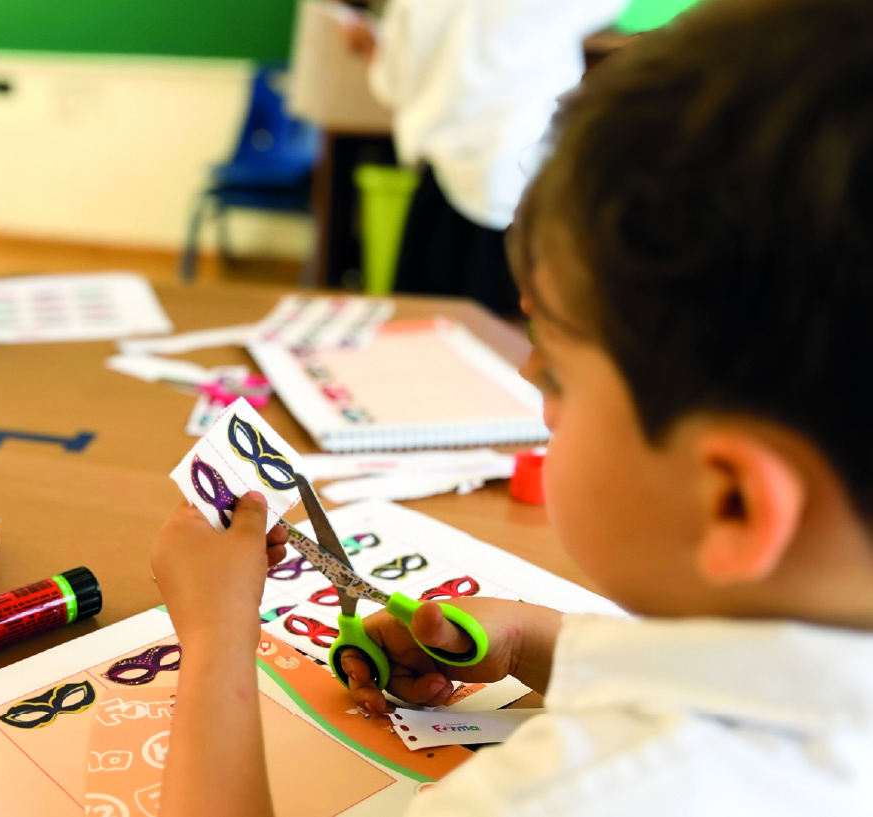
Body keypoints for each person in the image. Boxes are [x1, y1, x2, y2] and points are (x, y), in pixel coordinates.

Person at [151, 0, 873, 813]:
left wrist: (215, 643)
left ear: (732, 502)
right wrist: (535, 639)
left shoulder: (575, 793)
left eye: (557, 369)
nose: (528, 371)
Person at [342, 0, 623, 314]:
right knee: (515, 334)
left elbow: (392, 86)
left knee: (429, 328)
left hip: (445, 187)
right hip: (529, 178)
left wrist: (370, 49)